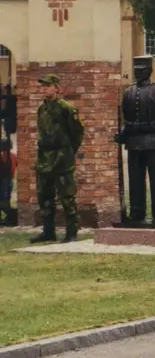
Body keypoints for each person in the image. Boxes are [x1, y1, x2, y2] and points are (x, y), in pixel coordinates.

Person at [118, 56, 155, 225]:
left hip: (154, 141)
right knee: (136, 180)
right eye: (136, 70)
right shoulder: (129, 92)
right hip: (135, 142)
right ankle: (137, 212)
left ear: (149, 71)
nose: (138, 73)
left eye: (141, 70)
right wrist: (122, 136)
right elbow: (127, 121)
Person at [30, 74, 84, 243]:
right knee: (44, 196)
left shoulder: (65, 108)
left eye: (48, 85)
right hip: (44, 158)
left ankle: (71, 232)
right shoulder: (42, 109)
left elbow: (77, 133)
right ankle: (48, 231)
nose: (44, 88)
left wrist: (67, 151)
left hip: (61, 158)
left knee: (66, 196)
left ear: (57, 88)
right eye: (43, 86)